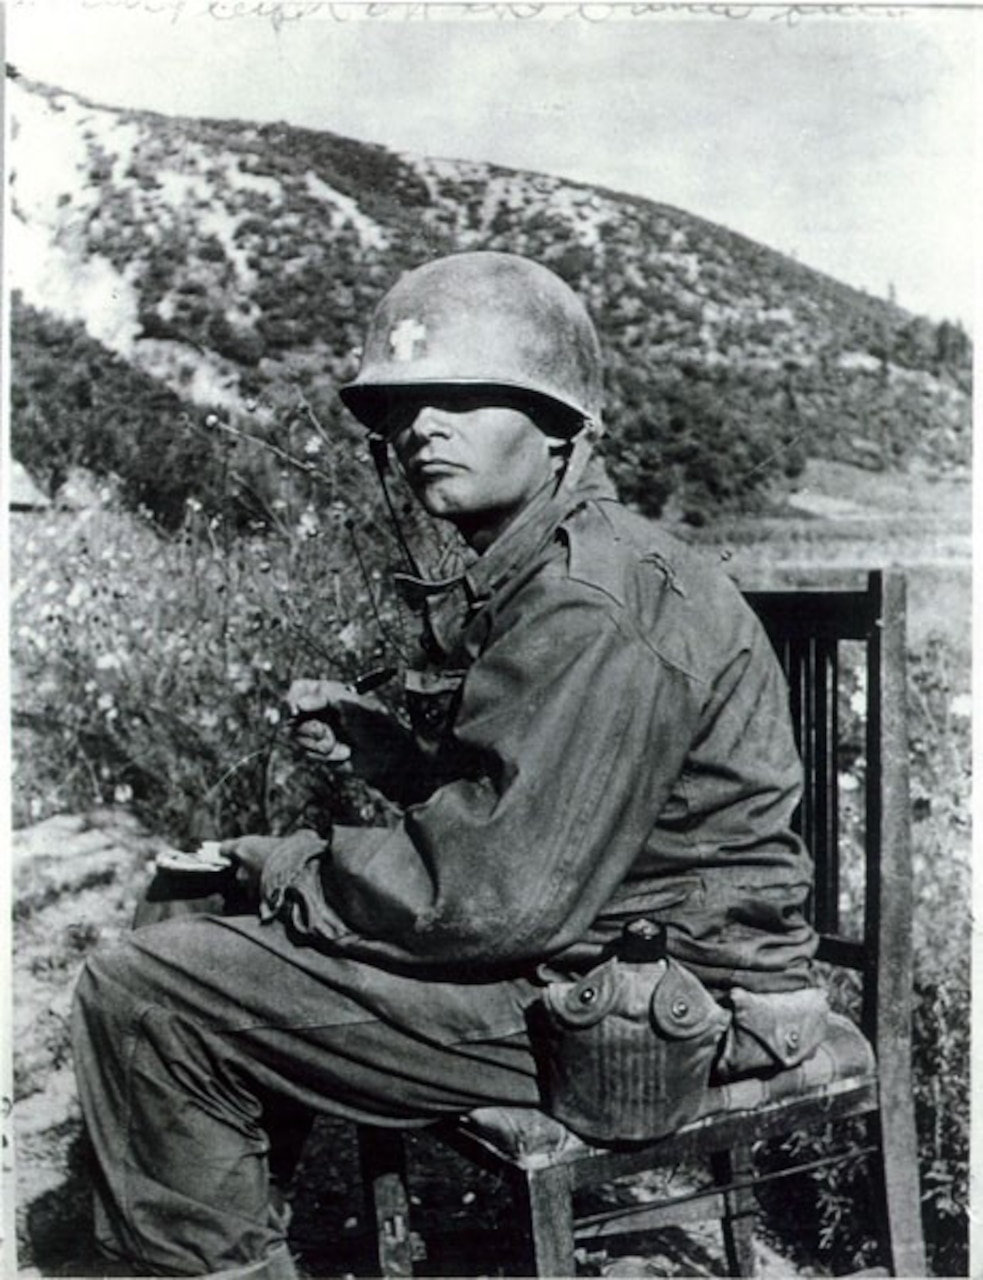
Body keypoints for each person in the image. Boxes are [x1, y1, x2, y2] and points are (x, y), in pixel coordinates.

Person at [72, 251, 828, 1279]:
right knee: (193, 926)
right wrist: (398, 757)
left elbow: (498, 897)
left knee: (142, 986)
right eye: (402, 406)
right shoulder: (561, 565)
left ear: (559, 422)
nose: (421, 425)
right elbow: (539, 816)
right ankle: (231, 1230)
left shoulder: (586, 600)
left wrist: (285, 861)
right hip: (600, 955)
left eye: (463, 398)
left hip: (658, 1010)